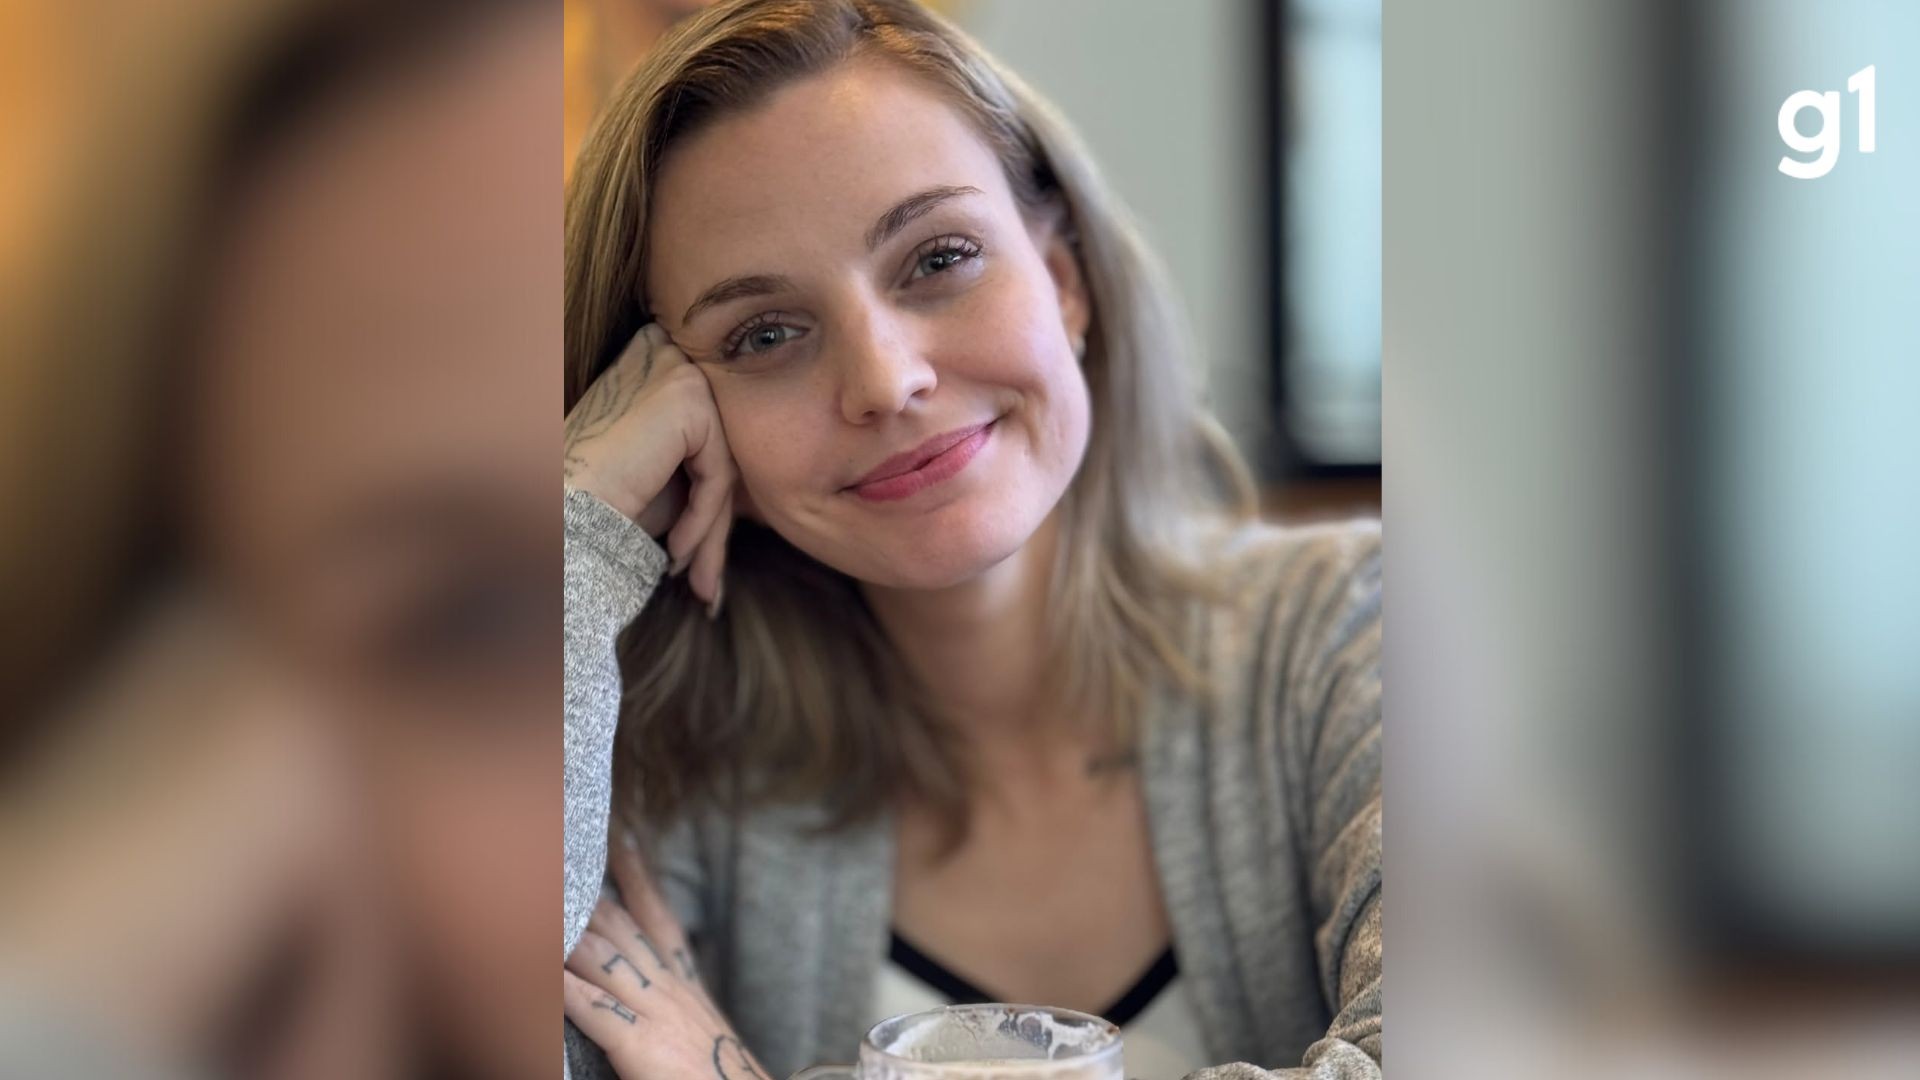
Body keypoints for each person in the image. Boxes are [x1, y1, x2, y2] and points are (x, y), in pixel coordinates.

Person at [560, 2, 1382, 1078]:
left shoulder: (1360, 633)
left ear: (1066, 284)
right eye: (764, 334)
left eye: (939, 257)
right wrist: (574, 530)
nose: (883, 379)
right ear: (692, 427)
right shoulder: (658, 756)